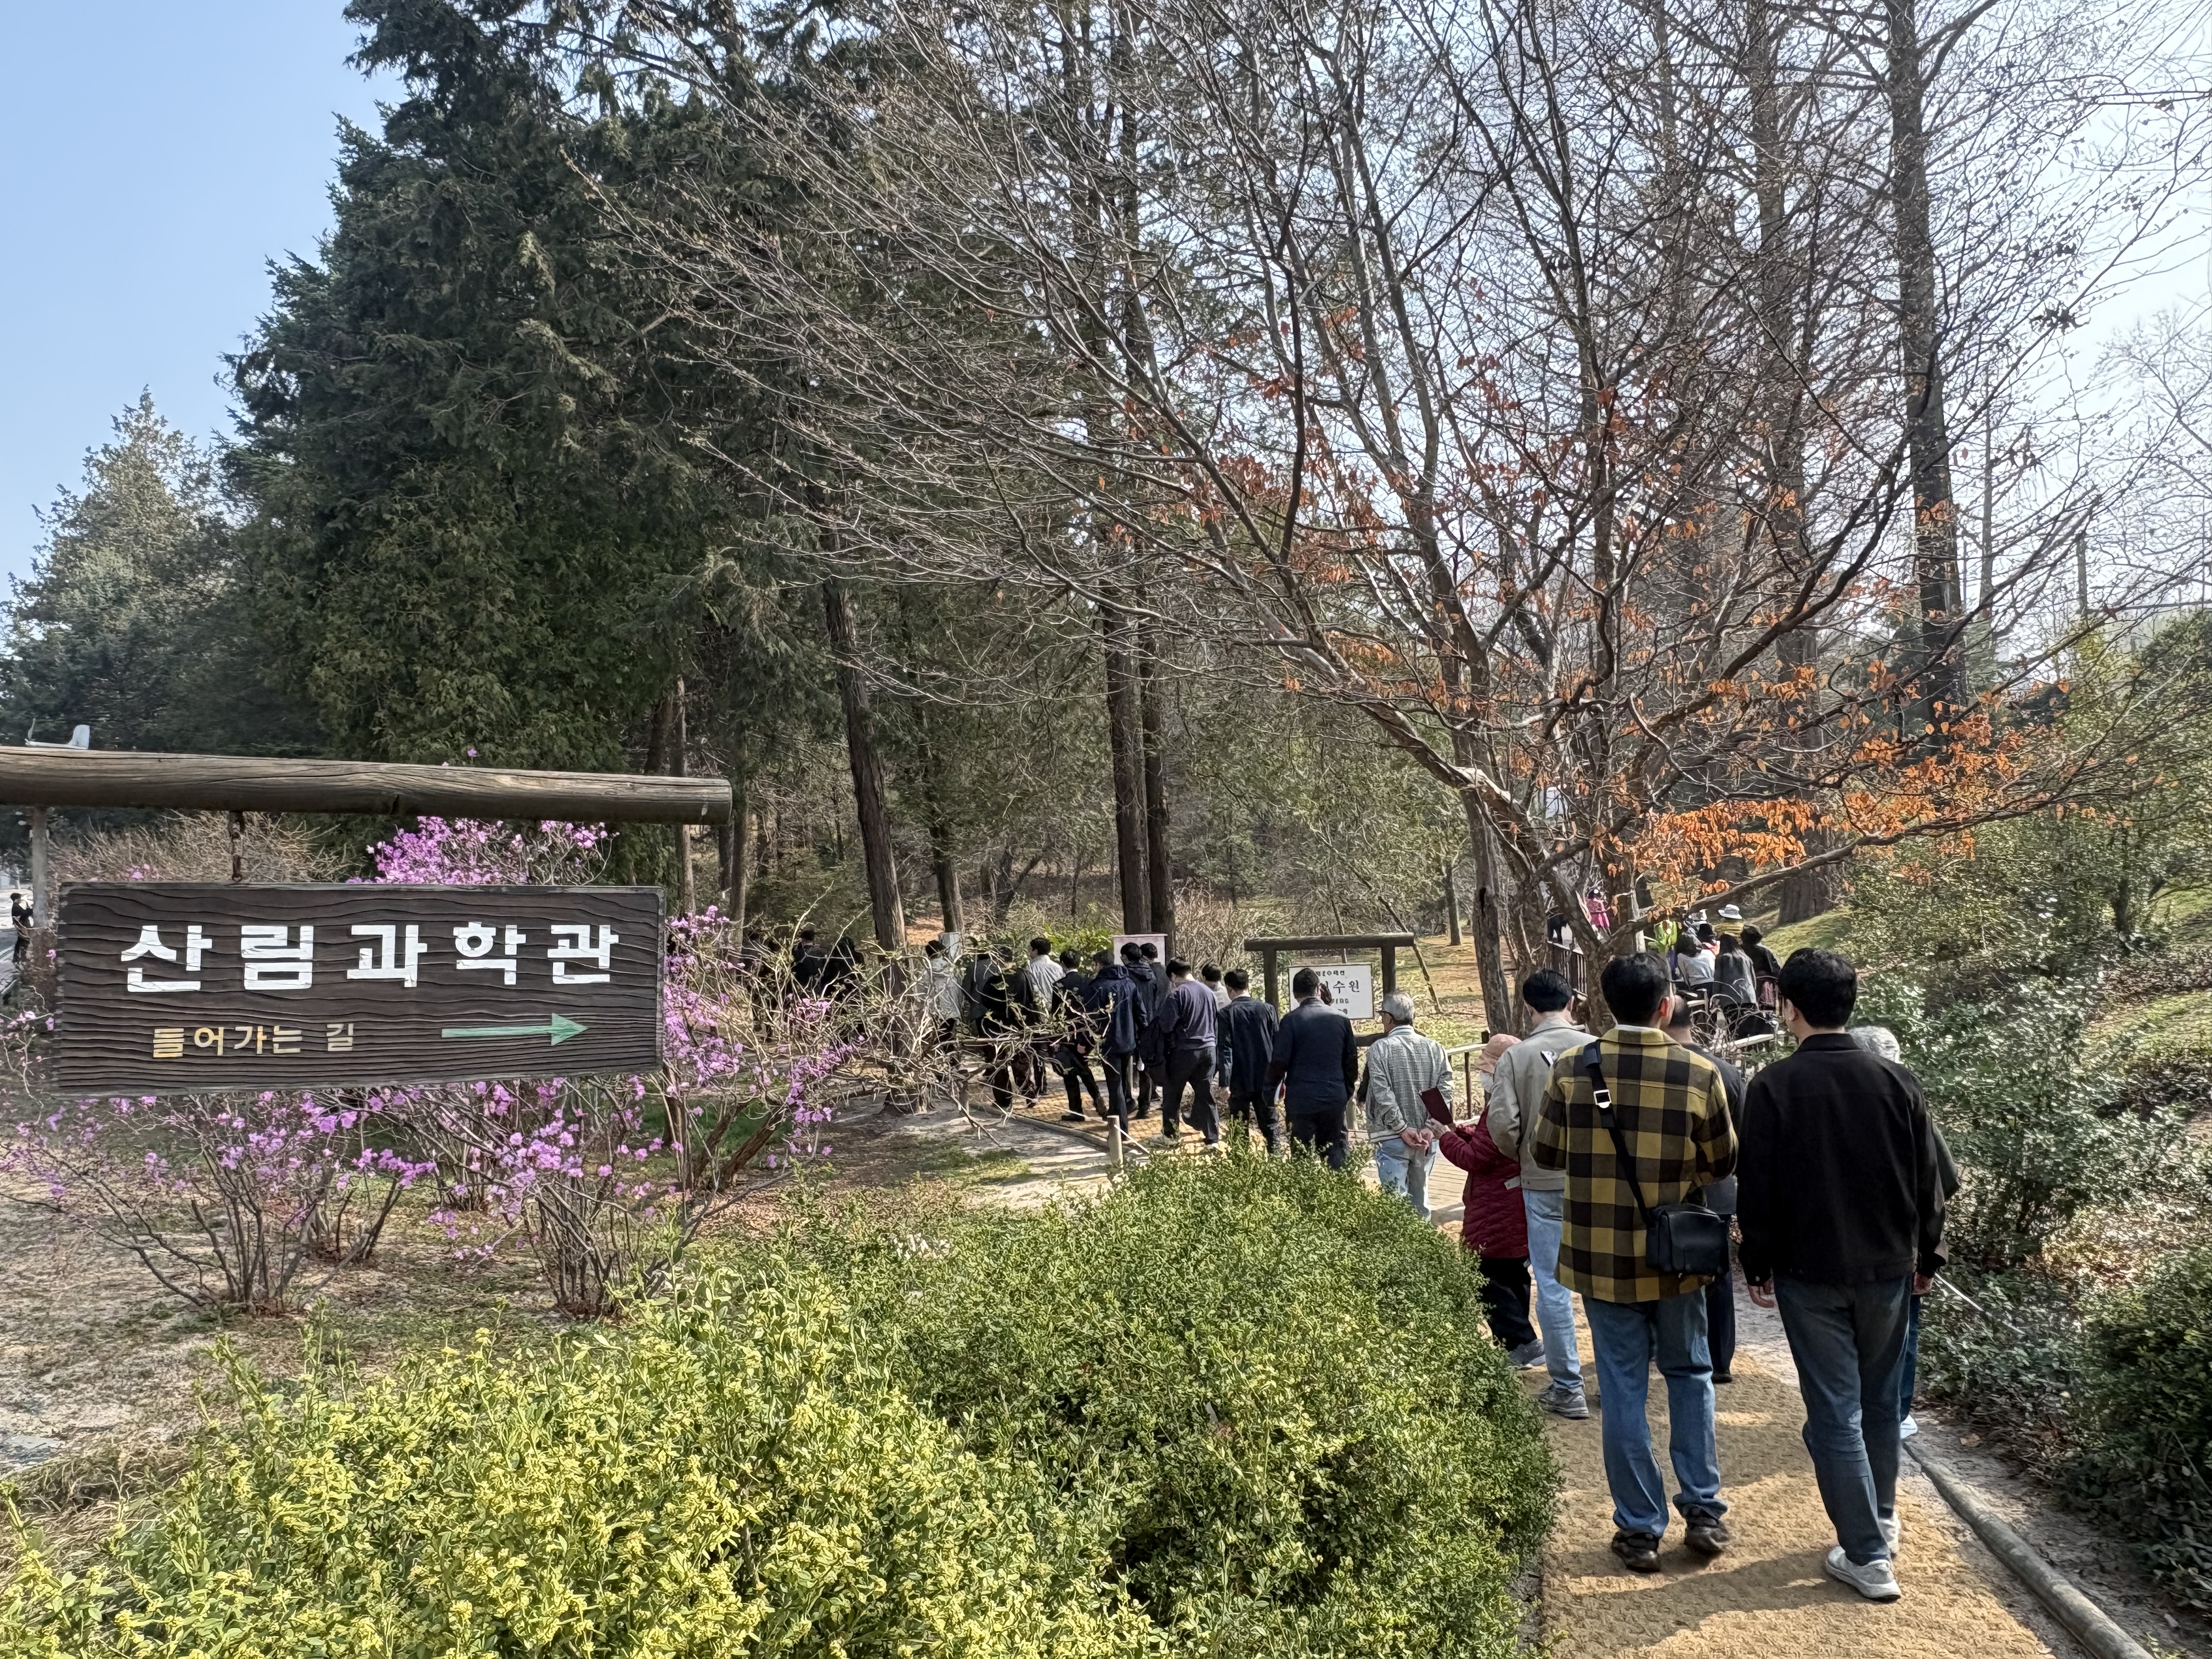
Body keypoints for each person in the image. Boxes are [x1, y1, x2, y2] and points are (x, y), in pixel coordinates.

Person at [1739, 950, 1949, 1604]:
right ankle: (1881, 1521)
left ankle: (1866, 1553)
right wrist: (1928, 1257)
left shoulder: (1773, 1086)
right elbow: (1928, 1185)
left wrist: (1757, 1263)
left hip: (1809, 1273)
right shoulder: (1898, 1082)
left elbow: (1759, 1191)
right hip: (1888, 1269)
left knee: (1834, 1409)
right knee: (1882, 1402)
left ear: (1787, 1006)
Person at [1534, 951, 1739, 1575]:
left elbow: (1546, 1152)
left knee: (1622, 1386)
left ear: (1600, 1006)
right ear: (1665, 1006)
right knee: (1690, 1373)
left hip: (1602, 1257)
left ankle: (1640, 1529)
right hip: (1677, 1256)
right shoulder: (1698, 1072)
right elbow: (1723, 1161)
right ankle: (1703, 1509)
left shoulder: (1572, 1069)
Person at [1488, 969, 1594, 1419]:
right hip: (1598, 1182)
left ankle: (1567, 1385)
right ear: (1571, 1001)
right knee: (1600, 1283)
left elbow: (1502, 1125)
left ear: (1528, 1008)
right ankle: (1611, 1378)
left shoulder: (1518, 1057)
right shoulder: (1597, 1048)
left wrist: (1527, 1156)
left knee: (1552, 1286)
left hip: (1542, 1180)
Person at [1850, 1024, 1961, 1442]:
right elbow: (1943, 1181)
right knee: (1903, 1331)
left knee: (1851, 1333)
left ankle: (1855, 1414)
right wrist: (1931, 1253)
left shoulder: (1835, 1107)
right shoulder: (1910, 1104)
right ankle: (1895, 1414)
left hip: (1842, 1246)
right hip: (1902, 1245)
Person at [1440, 1033, 1544, 1368]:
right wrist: (1464, 1133)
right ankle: (1522, 1340)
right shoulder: (1529, 1097)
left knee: (1486, 1275)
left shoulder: (1501, 1102)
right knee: (1515, 1274)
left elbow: (1478, 1158)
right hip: (1518, 1200)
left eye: (1487, 1066)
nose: (1484, 1074)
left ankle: (1521, 1342)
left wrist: (1445, 1137)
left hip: (1494, 1204)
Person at [1663, 997, 1746, 1384]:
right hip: (1721, 1189)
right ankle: (1720, 1359)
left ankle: (1674, 1349)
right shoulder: (1728, 1072)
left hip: (1674, 1188)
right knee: (1719, 1274)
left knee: (1671, 1268)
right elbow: (1742, 1139)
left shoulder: (1663, 1069)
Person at [1362, 990, 1447, 1218]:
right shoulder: (1434, 1048)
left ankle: (1402, 1250)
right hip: (1427, 1139)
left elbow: (1382, 1093)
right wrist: (1430, 1127)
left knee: (1395, 1205)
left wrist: (1401, 1128)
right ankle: (1425, 1248)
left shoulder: (1380, 1049)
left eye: (1382, 1015)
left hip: (1391, 1136)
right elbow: (1445, 1089)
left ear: (1389, 1018)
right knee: (1422, 1200)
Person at [1269, 966, 1358, 1168]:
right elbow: (1351, 1060)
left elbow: (1279, 1062)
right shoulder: (1341, 1019)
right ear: (1318, 989)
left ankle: (1304, 1197)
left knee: (1302, 1157)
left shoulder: (1290, 1021)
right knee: (1336, 1154)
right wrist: (1347, 1091)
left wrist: (1269, 1092)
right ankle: (1342, 1195)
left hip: (1301, 1099)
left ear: (1294, 993)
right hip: (1334, 1097)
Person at [1086, 945, 1149, 1138]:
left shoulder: (1097, 987)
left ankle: (1121, 1130)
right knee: (1122, 1083)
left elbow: (1089, 1019)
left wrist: (1087, 1042)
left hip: (1109, 1043)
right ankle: (1116, 1118)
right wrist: (1145, 1038)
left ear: (1099, 965)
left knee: (1115, 1086)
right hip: (1129, 1042)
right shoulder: (1129, 984)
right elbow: (1142, 1014)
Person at [1158, 958, 1223, 1146]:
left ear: (1173, 976)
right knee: (1205, 1095)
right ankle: (1213, 1138)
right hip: (1209, 1050)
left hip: (1185, 1052)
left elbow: (1166, 1026)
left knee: (1172, 1094)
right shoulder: (1209, 993)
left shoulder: (1177, 995)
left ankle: (1171, 1137)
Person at [1220, 968, 1283, 1152]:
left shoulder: (1226, 1014)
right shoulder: (1268, 1009)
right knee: (1271, 1128)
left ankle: (1241, 1170)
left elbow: (1225, 1049)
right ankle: (1277, 1166)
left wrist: (1224, 1083)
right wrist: (1281, 1078)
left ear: (1229, 989)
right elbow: (1277, 1042)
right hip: (1266, 1077)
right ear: (1248, 986)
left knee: (1239, 1129)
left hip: (1239, 1079)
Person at [1052, 949, 1104, 1121]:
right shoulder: (1089, 983)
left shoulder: (1059, 986)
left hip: (1067, 1034)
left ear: (1062, 964)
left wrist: (1056, 1039)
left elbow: (1056, 1015)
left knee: (1070, 1073)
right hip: (1085, 1033)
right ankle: (1099, 1103)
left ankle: (1076, 1110)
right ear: (1079, 963)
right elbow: (1093, 1012)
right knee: (1085, 1069)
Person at [1132, 943, 1170, 1118]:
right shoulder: (1165, 973)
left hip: (1149, 1025)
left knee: (1144, 1067)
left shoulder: (1148, 976)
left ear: (1143, 957)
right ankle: (1163, 1101)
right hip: (1165, 1024)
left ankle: (1144, 1107)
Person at [1201, 963, 1232, 1094]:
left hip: (1209, 1040)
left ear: (1204, 978)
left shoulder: (1204, 993)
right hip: (1226, 1040)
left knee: (1205, 1078)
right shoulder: (1227, 994)